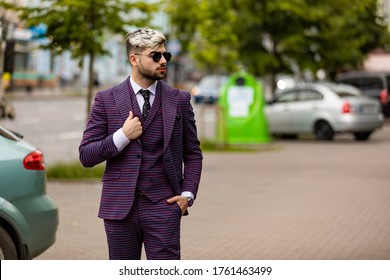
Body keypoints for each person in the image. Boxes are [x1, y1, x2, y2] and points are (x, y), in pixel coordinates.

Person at [79, 27, 203, 260]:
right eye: (155, 56)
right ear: (134, 59)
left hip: (164, 206)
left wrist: (187, 195)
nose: (163, 60)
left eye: (166, 55)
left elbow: (193, 154)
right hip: (119, 210)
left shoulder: (180, 100)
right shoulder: (106, 99)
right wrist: (122, 136)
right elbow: (86, 155)